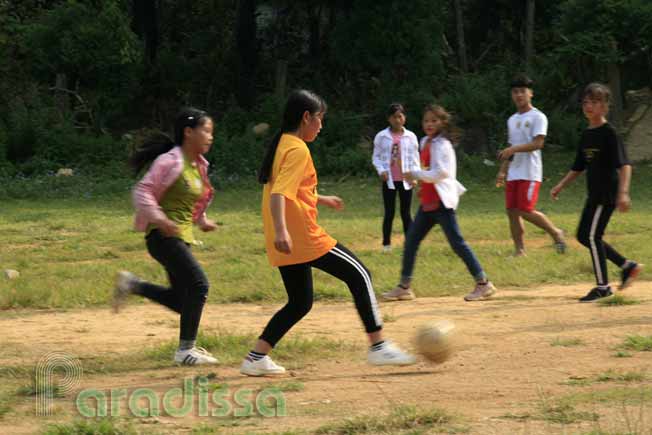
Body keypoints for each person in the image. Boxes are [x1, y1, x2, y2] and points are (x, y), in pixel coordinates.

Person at [240, 90, 416, 376]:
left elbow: (289, 189)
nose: (321, 126)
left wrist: (320, 199)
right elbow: (279, 194)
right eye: (319, 119)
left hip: (286, 236)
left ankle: (256, 357)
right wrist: (283, 231)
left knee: (300, 302)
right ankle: (379, 346)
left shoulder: (284, 143)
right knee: (360, 274)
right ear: (306, 117)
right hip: (301, 236)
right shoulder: (298, 149)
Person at [113, 107, 219, 365]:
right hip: (162, 237)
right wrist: (160, 219)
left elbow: (193, 200)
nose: (210, 137)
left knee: (183, 302)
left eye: (211, 132)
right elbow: (142, 192)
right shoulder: (169, 161)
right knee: (199, 285)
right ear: (188, 132)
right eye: (206, 131)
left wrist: (202, 221)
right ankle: (185, 351)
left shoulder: (198, 166)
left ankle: (133, 285)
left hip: (180, 238)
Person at [383, 104, 497, 302]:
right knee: (411, 241)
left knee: (457, 244)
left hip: (442, 203)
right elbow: (426, 168)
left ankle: (484, 283)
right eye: (426, 120)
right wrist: (418, 182)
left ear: (443, 123)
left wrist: (415, 174)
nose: (429, 124)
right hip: (428, 203)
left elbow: (441, 173)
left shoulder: (443, 144)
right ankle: (404, 287)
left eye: (434, 120)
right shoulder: (425, 141)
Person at [551, 83, 642, 302]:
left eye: (595, 102)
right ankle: (627, 266)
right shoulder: (587, 135)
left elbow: (625, 165)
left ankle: (603, 288)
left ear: (605, 106)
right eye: (586, 102)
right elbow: (578, 167)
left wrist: (623, 193)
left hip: (607, 194)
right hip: (594, 195)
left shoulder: (609, 133)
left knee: (592, 236)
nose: (589, 106)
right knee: (584, 235)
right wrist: (561, 185)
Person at [496, 74, 566, 256]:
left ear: (530, 93)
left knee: (525, 210)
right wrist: (503, 171)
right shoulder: (511, 120)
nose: (519, 95)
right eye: (515, 92)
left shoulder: (538, 117)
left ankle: (556, 232)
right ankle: (519, 250)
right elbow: (511, 147)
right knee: (511, 211)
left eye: (522, 91)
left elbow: (538, 143)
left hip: (530, 172)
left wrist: (512, 150)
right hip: (514, 173)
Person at [372, 103, 420, 251]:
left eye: (400, 116)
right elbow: (376, 157)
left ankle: (410, 244)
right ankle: (386, 244)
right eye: (394, 117)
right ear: (389, 119)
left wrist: (415, 175)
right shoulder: (381, 136)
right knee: (389, 213)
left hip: (406, 180)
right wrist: (381, 171)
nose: (397, 120)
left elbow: (414, 158)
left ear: (404, 117)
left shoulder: (410, 136)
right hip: (389, 181)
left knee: (406, 213)